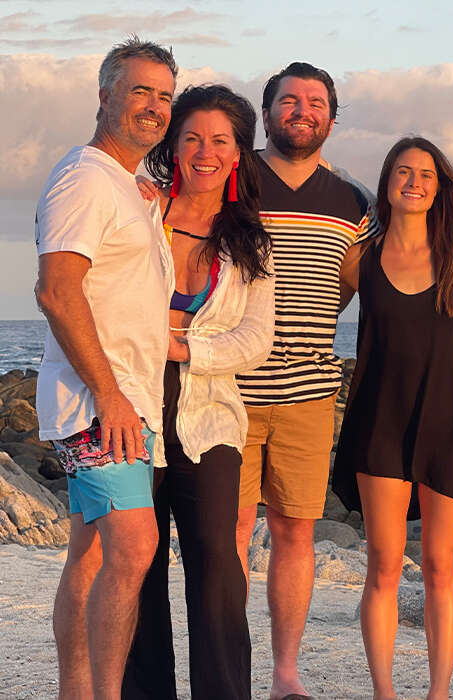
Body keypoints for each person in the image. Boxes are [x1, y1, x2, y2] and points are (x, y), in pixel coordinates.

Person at [121, 85, 275, 699]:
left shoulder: (249, 239)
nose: (205, 152)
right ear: (173, 145)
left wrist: (180, 345)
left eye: (220, 140)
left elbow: (254, 340)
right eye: (192, 138)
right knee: (137, 565)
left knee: (217, 568)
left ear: (238, 153)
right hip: (130, 408)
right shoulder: (141, 216)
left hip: (210, 418)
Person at [34, 37, 176, 699]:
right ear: (105, 96)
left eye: (165, 96)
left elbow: (122, 296)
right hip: (100, 404)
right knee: (135, 547)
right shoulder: (85, 177)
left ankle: (78, 692)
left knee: (91, 555)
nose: (153, 107)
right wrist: (109, 393)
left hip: (122, 401)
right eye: (140, 91)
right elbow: (57, 290)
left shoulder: (122, 185)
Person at [230, 62, 377, 700]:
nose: (302, 110)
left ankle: (285, 673)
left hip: (309, 396)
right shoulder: (230, 178)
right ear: (266, 114)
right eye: (288, 101)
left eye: (315, 102)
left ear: (331, 119)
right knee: (230, 532)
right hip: (224, 392)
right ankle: (227, 661)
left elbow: (352, 285)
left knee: (294, 531)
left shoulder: (353, 203)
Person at [332, 136, 453, 700]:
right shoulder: (360, 258)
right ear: (387, 183)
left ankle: (438, 693)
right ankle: (384, 692)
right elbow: (317, 318)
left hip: (446, 421)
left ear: (439, 186)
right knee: (383, 565)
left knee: (442, 567)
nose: (413, 181)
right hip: (379, 421)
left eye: (425, 173)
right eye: (402, 171)